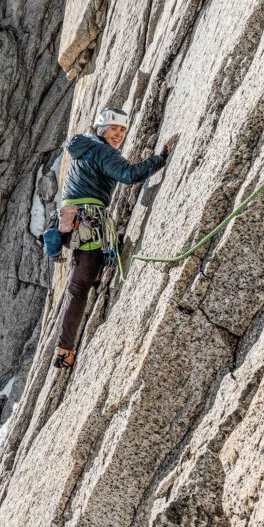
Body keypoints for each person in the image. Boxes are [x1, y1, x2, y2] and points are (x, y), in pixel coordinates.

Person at [54, 108, 179, 369]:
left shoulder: (84, 148)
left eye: (122, 130)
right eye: (114, 129)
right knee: (77, 290)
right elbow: (129, 175)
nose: (119, 134)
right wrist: (162, 157)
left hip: (74, 223)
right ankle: (65, 349)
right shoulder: (101, 151)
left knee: (88, 274)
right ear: (102, 130)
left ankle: (97, 271)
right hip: (86, 224)